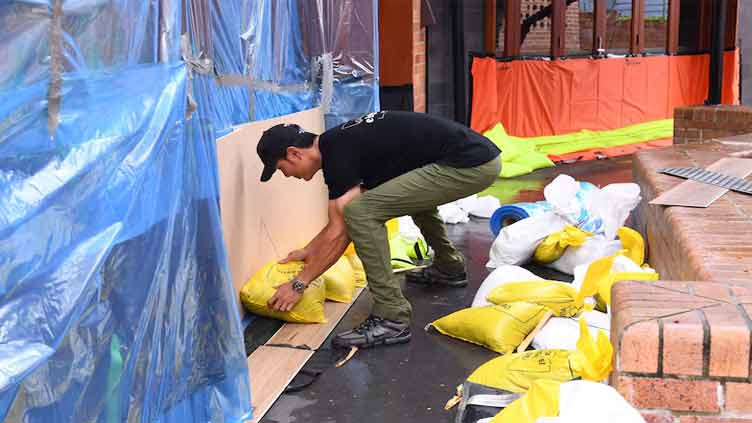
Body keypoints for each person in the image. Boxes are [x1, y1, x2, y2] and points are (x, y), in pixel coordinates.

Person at [256, 111, 501, 349]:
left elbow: (345, 227)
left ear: (294, 153)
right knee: (405, 201)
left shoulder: (337, 154)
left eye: (280, 169)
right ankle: (450, 267)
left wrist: (299, 284)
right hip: (477, 157)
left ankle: (391, 316)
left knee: (362, 213)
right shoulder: (337, 143)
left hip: (471, 164)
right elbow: (338, 221)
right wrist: (310, 250)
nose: (287, 176)